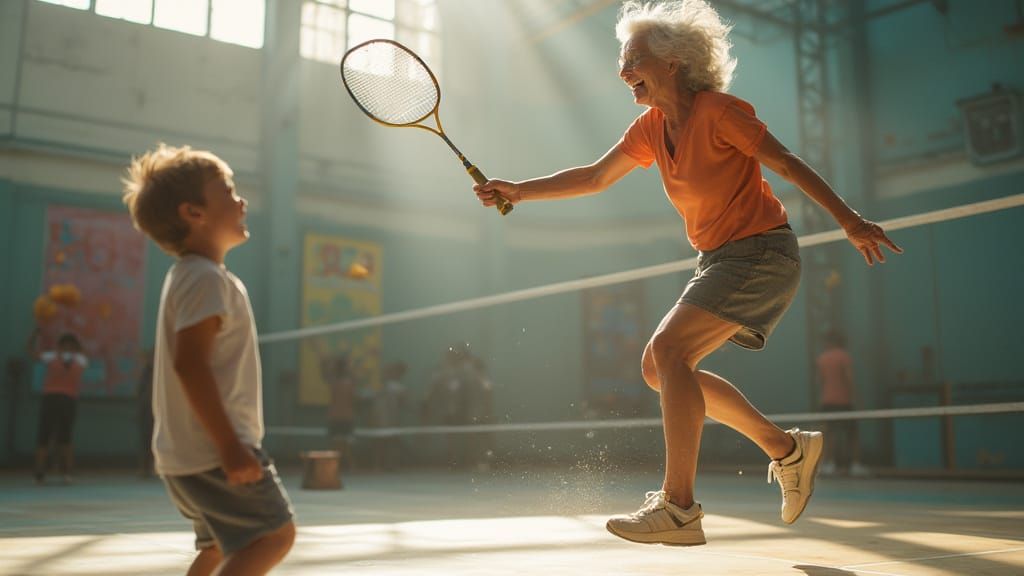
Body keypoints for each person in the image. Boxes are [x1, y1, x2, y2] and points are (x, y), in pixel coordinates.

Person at [474, 0, 902, 546]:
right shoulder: (651, 128)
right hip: (719, 259)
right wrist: (519, 190)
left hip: (761, 253)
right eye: (621, 58)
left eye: (633, 56)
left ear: (673, 63)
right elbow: (596, 177)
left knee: (671, 353)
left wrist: (851, 221)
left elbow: (788, 164)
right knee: (660, 368)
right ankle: (787, 450)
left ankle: (679, 507)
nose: (622, 69)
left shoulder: (720, 113)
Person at [123, 143, 295, 575]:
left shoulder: (189, 277)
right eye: (229, 190)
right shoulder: (205, 280)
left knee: (220, 546)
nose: (242, 200)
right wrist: (230, 447)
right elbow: (190, 365)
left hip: (185, 457)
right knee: (273, 535)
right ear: (193, 213)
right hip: (213, 454)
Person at [28, 328, 87, 485]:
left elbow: (83, 354)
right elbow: (31, 352)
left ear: (74, 346)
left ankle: (67, 471)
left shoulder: (79, 359)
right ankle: (39, 471)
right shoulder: (52, 356)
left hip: (68, 400)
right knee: (43, 436)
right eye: (64, 343)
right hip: (51, 398)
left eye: (70, 344)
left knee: (65, 437)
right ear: (60, 345)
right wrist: (34, 334)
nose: (67, 346)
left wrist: (77, 344)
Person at [816, 330, 868, 476]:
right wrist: (855, 397)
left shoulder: (822, 358)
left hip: (827, 401)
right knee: (852, 434)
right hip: (845, 401)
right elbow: (849, 378)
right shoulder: (844, 356)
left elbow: (820, 381)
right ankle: (855, 465)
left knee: (829, 433)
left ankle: (829, 464)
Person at [320, 351, 356, 468]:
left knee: (344, 443)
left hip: (342, 416)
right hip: (340, 416)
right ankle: (338, 466)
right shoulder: (339, 382)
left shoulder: (344, 382)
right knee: (338, 444)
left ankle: (345, 465)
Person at [137, 349, 155, 478]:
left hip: (158, 412)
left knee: (155, 441)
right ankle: (144, 468)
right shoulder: (146, 373)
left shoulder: (161, 372)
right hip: (146, 410)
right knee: (145, 440)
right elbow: (140, 392)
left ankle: (154, 467)